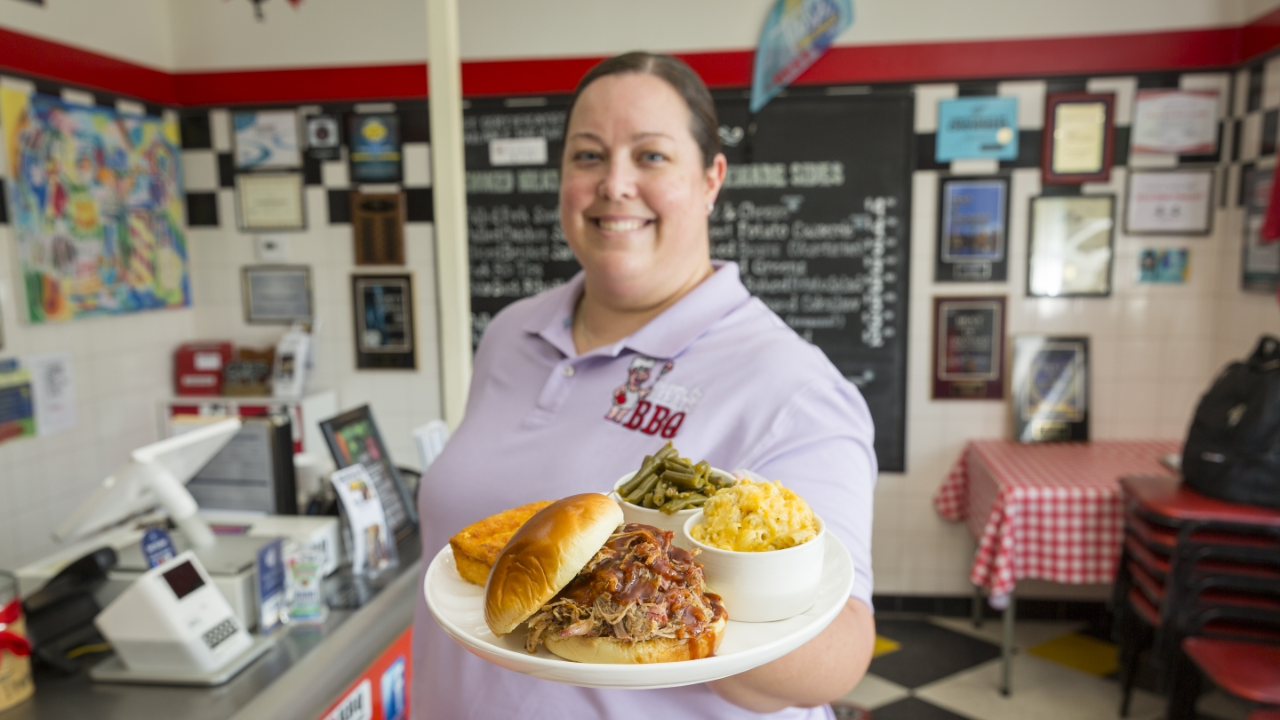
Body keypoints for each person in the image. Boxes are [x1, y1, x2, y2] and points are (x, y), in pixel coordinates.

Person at [413, 51, 876, 719]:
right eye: (588, 156)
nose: (615, 184)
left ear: (712, 178)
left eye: (651, 156)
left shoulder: (791, 385)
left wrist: (670, 587)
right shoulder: (511, 333)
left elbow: (840, 656)